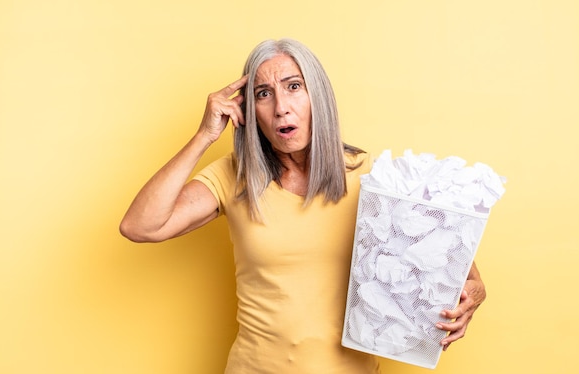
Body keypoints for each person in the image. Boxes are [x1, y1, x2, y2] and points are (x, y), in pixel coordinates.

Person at [120, 38, 486, 374]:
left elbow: (453, 264)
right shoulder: (235, 176)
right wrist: (205, 136)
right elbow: (140, 226)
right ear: (249, 111)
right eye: (263, 94)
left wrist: (475, 293)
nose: (281, 108)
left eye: (294, 87)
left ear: (318, 97)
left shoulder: (371, 176)